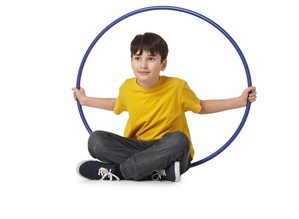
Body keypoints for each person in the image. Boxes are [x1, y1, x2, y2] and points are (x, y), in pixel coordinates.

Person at [73, 32, 257, 182]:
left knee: (180, 140)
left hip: (171, 152)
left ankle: (119, 172)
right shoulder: (127, 88)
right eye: (137, 58)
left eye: (151, 58)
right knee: (96, 141)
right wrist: (85, 100)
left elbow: (201, 106)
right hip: (139, 147)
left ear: (163, 64)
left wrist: (239, 101)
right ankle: (156, 171)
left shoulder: (177, 87)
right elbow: (117, 104)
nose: (143, 64)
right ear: (131, 61)